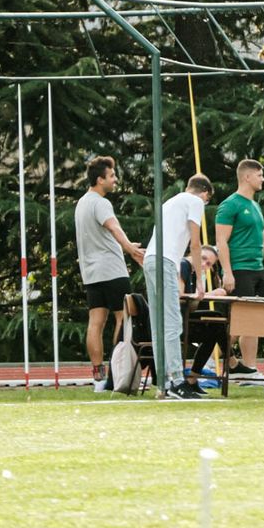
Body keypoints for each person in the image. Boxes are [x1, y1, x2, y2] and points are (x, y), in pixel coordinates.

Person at [75, 155, 145, 391]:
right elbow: (114, 228)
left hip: (91, 273)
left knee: (95, 323)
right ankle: (117, 375)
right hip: (112, 270)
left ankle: (98, 378)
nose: (115, 180)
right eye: (112, 176)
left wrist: (127, 247)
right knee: (123, 319)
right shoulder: (101, 203)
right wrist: (131, 250)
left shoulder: (81, 203)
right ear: (100, 179)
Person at [143, 174, 213, 400]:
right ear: (204, 193)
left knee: (158, 325)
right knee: (172, 322)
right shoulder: (195, 202)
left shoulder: (169, 202)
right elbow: (195, 243)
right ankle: (176, 380)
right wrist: (200, 280)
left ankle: (163, 383)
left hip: (151, 259)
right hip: (165, 261)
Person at [214, 158, 264, 376]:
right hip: (239, 269)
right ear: (247, 177)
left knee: (254, 322)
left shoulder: (255, 206)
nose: (263, 179)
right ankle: (209, 359)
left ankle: (249, 369)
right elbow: (221, 241)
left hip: (257, 270)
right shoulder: (230, 205)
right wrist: (227, 272)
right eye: (259, 175)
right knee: (240, 322)